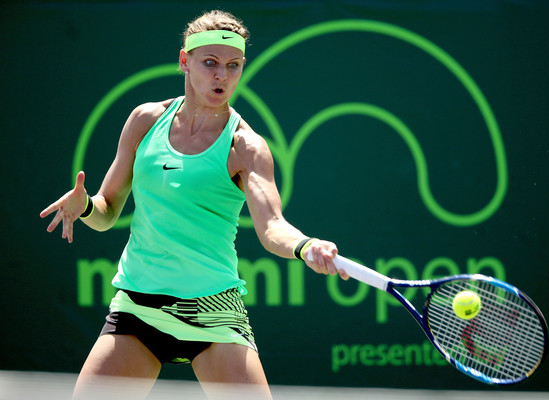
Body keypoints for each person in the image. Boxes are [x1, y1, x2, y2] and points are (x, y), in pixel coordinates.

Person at [40, 9, 348, 399]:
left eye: (233, 66)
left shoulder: (246, 147)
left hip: (214, 314)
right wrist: (86, 207)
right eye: (210, 63)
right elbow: (107, 213)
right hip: (138, 307)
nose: (222, 76)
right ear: (184, 61)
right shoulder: (144, 121)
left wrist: (305, 246)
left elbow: (272, 228)